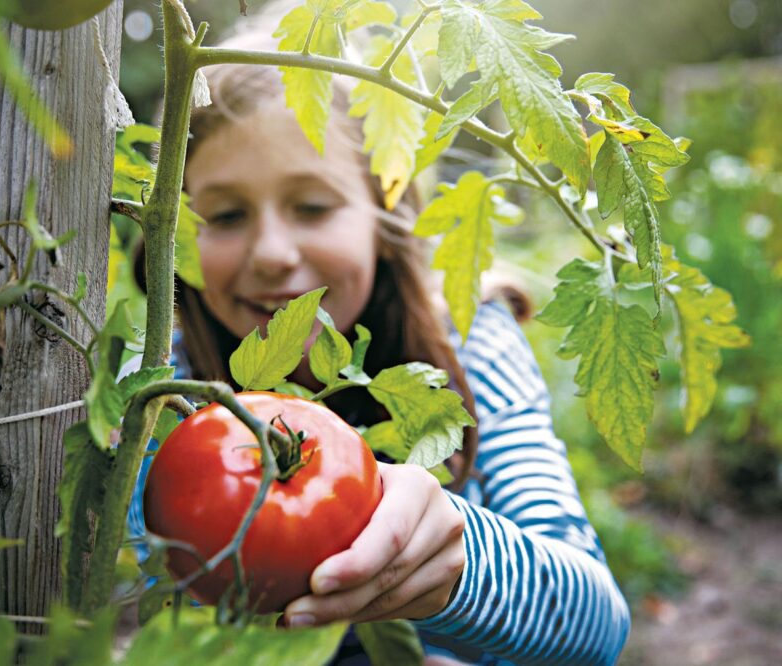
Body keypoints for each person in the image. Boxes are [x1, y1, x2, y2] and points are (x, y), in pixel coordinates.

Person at [127, 15, 631, 666]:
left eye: (312, 206)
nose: (274, 254)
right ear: (175, 231)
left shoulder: (471, 346)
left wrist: (462, 566)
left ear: (384, 214)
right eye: (225, 215)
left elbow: (597, 627)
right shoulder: (167, 389)